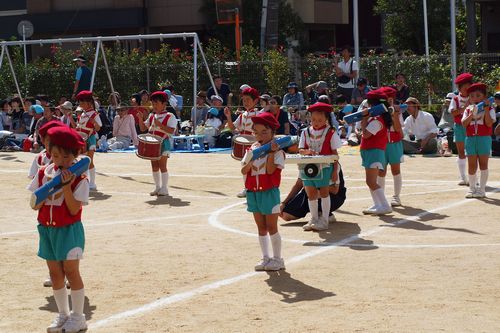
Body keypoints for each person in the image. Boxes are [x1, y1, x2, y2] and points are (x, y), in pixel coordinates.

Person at [28, 126, 89, 333]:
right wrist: (47, 190)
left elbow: (73, 209)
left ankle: (78, 317)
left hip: (69, 230)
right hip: (47, 229)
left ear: (75, 155)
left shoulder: (80, 178)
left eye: (65, 156)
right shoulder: (44, 172)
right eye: (55, 155)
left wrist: (65, 186)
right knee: (55, 274)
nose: (60, 160)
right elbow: (35, 204)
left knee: (71, 272)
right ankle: (63, 314)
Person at [241, 112, 285, 271]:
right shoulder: (251, 149)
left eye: (264, 132)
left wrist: (271, 152)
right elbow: (243, 170)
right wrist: (251, 160)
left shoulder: (278, 151)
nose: (260, 136)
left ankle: (278, 259)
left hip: (269, 193)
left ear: (273, 132)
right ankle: (265, 257)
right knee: (261, 227)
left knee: (272, 226)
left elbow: (271, 170)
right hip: (253, 192)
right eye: (256, 132)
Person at [298, 102, 342, 231]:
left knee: (323, 192)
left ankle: (324, 220)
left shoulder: (331, 132)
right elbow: (301, 149)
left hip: (325, 167)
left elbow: (335, 154)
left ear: (327, 119)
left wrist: (335, 171)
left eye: (320, 120)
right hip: (308, 167)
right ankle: (314, 218)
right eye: (313, 120)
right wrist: (307, 152)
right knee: (310, 193)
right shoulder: (305, 132)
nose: (316, 122)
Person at [137, 91, 178, 196]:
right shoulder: (151, 116)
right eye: (153, 104)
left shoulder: (170, 116)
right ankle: (157, 187)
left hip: (163, 143)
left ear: (164, 104)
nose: (154, 106)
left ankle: (164, 188)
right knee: (154, 166)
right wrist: (140, 119)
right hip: (152, 144)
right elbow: (142, 128)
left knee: (162, 165)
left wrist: (160, 125)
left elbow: (171, 131)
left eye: (157, 103)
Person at [359, 89, 393, 215]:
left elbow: (366, 135)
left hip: (374, 152)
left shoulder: (377, 120)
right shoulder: (376, 118)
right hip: (370, 151)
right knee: (371, 181)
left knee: (371, 181)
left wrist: (363, 120)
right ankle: (378, 204)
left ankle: (384, 205)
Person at [224, 87, 261, 198]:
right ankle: (248, 188)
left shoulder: (259, 115)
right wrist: (229, 116)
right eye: (244, 100)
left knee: (254, 167)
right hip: (246, 146)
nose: (245, 102)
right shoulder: (242, 115)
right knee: (245, 165)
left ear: (255, 101)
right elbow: (232, 128)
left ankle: (254, 188)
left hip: (256, 145)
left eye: (248, 100)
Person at [461, 83, 496, 198]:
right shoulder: (467, 109)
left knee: (483, 164)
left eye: (478, 95)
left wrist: (485, 110)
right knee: (471, 165)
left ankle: (481, 190)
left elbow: (489, 123)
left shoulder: (490, 109)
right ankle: (472, 189)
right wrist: (471, 114)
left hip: (484, 138)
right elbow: (464, 124)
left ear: (484, 97)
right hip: (470, 139)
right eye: (471, 96)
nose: (474, 98)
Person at [280, 163, 346, 223]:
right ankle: (318, 214)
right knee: (285, 215)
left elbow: (334, 190)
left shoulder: (332, 164)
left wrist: (316, 188)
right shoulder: (305, 163)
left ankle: (324, 215)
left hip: (334, 197)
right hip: (310, 193)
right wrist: (284, 203)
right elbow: (298, 185)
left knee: (315, 193)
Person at [377, 87, 405, 207]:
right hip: (382, 144)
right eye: (386, 100)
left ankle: (396, 196)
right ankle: (381, 198)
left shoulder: (397, 111)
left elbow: (398, 129)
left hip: (395, 143)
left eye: (391, 100)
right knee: (381, 171)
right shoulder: (378, 112)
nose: (389, 102)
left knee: (396, 170)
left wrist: (394, 115)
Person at [449, 73, 473, 185]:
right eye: (465, 87)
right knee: (461, 152)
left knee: (472, 153)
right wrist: (465, 106)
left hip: (470, 126)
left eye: (469, 86)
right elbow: (453, 113)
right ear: (460, 88)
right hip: (459, 127)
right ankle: (463, 177)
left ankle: (472, 177)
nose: (467, 89)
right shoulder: (455, 98)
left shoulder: (474, 97)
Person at [74, 91, 102, 191]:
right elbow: (78, 127)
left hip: (90, 139)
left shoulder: (94, 114)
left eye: (82, 102)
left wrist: (94, 122)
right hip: (81, 139)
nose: (80, 105)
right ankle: (84, 181)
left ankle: (92, 184)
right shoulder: (82, 114)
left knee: (89, 161)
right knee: (81, 161)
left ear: (88, 102)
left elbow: (98, 128)